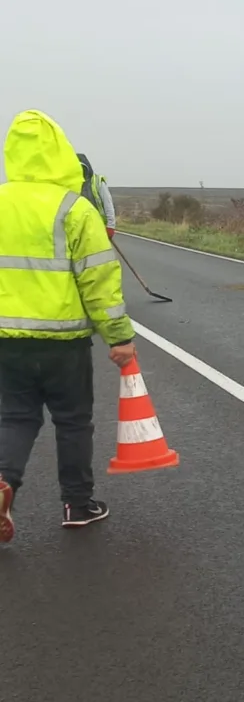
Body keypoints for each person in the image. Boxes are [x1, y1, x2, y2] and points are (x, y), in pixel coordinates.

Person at [0, 110, 137, 543]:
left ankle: (4, 482)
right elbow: (99, 280)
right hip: (65, 342)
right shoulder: (75, 210)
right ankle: (78, 504)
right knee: (74, 421)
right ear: (59, 153)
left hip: (7, 340)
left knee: (15, 418)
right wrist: (119, 338)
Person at [77, 152, 117, 240]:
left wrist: (110, 226)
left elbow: (108, 204)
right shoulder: (74, 184)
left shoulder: (98, 182)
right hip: (82, 229)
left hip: (100, 227)